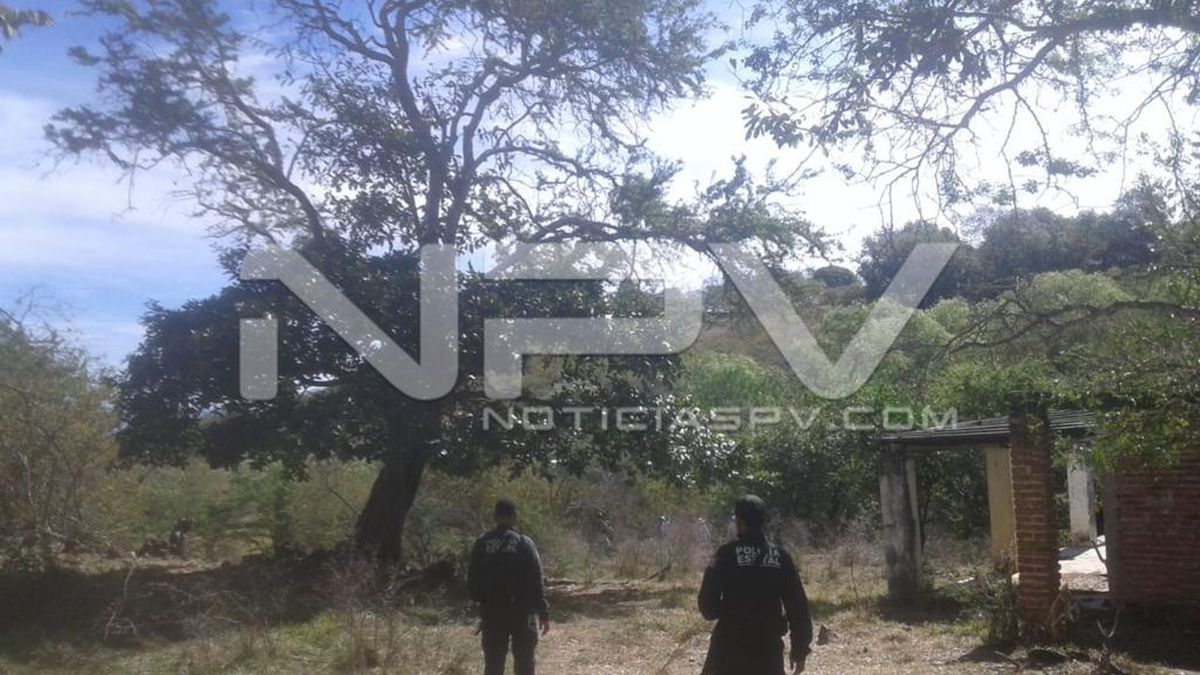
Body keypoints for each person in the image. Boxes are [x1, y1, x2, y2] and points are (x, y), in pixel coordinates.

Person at [698, 495, 813, 675]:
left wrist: (730, 610)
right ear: (763, 522)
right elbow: (798, 608)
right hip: (767, 651)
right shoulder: (781, 558)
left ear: (739, 522)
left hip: (727, 651)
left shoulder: (725, 554)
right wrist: (800, 650)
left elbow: (708, 608)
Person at [468, 499, 551, 675]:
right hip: (521, 611)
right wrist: (543, 612)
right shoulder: (524, 543)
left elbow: (472, 580)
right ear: (514, 517)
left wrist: (483, 603)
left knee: (493, 663)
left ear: (495, 517)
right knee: (524, 662)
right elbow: (536, 579)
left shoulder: (482, 543)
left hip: (492, 611)